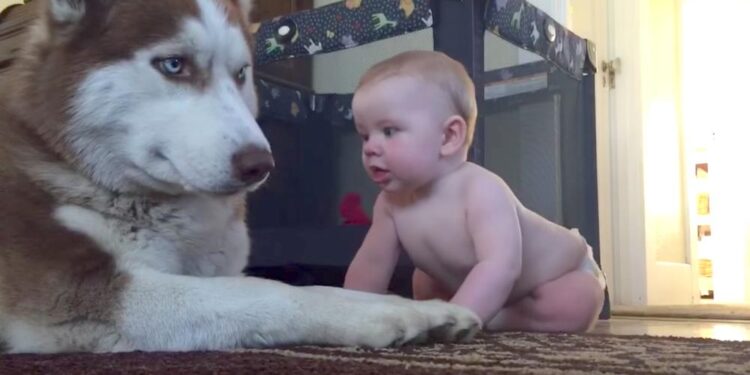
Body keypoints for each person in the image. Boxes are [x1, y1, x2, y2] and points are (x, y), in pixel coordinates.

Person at [343, 50, 606, 332]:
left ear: (448, 136)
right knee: (423, 281)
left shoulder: (481, 190)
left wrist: (453, 319)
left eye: (389, 131)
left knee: (577, 300)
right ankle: (474, 313)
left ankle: (477, 317)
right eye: (365, 135)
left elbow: (501, 266)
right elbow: (371, 264)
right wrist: (349, 312)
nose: (370, 148)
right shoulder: (390, 203)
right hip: (467, 282)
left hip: (555, 275)